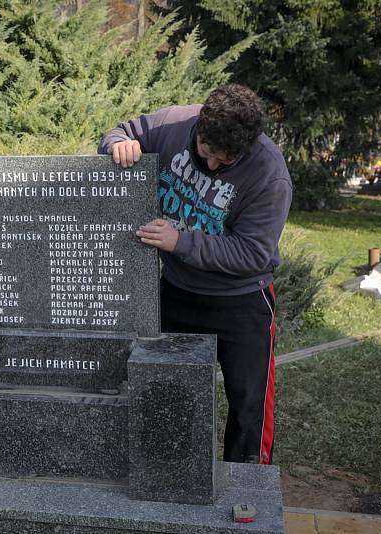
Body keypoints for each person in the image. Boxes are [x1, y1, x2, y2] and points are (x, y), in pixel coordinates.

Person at [98, 84, 292, 464]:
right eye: (208, 153)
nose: (215, 165)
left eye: (227, 160)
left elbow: (253, 253)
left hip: (242, 302)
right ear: (199, 128)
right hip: (177, 291)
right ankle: (171, 473)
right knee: (165, 390)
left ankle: (247, 486)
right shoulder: (172, 123)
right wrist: (118, 145)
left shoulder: (270, 175)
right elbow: (118, 132)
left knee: (248, 405)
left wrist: (180, 241)